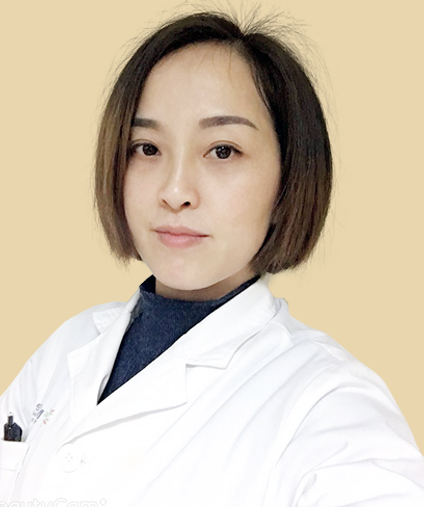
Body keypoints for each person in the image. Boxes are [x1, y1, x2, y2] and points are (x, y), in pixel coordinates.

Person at [1, 8, 423, 506]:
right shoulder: (67, 348)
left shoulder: (331, 408)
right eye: (146, 148)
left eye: (222, 150)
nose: (175, 191)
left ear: (288, 177)